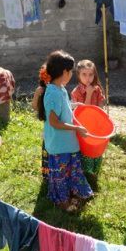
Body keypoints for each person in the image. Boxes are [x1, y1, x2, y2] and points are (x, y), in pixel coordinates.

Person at [37, 51, 93, 210]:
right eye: (71, 71)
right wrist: (77, 128)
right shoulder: (52, 93)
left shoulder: (60, 88)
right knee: (60, 175)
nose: (71, 75)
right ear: (64, 72)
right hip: (59, 143)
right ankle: (62, 201)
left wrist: (75, 106)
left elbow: (64, 108)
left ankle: (74, 193)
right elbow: (54, 122)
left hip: (68, 141)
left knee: (73, 169)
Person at [70, 59, 106, 182]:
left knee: (97, 147)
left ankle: (94, 171)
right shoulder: (76, 92)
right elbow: (84, 112)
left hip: (95, 125)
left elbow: (100, 106)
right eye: (84, 74)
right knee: (86, 149)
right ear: (78, 75)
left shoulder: (97, 89)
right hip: (83, 125)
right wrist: (89, 94)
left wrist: (102, 114)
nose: (88, 78)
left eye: (90, 74)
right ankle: (86, 173)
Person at [32, 66, 49, 180]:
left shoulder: (59, 89)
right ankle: (47, 175)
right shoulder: (42, 90)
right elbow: (34, 107)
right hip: (48, 128)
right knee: (46, 151)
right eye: (45, 78)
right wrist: (37, 94)